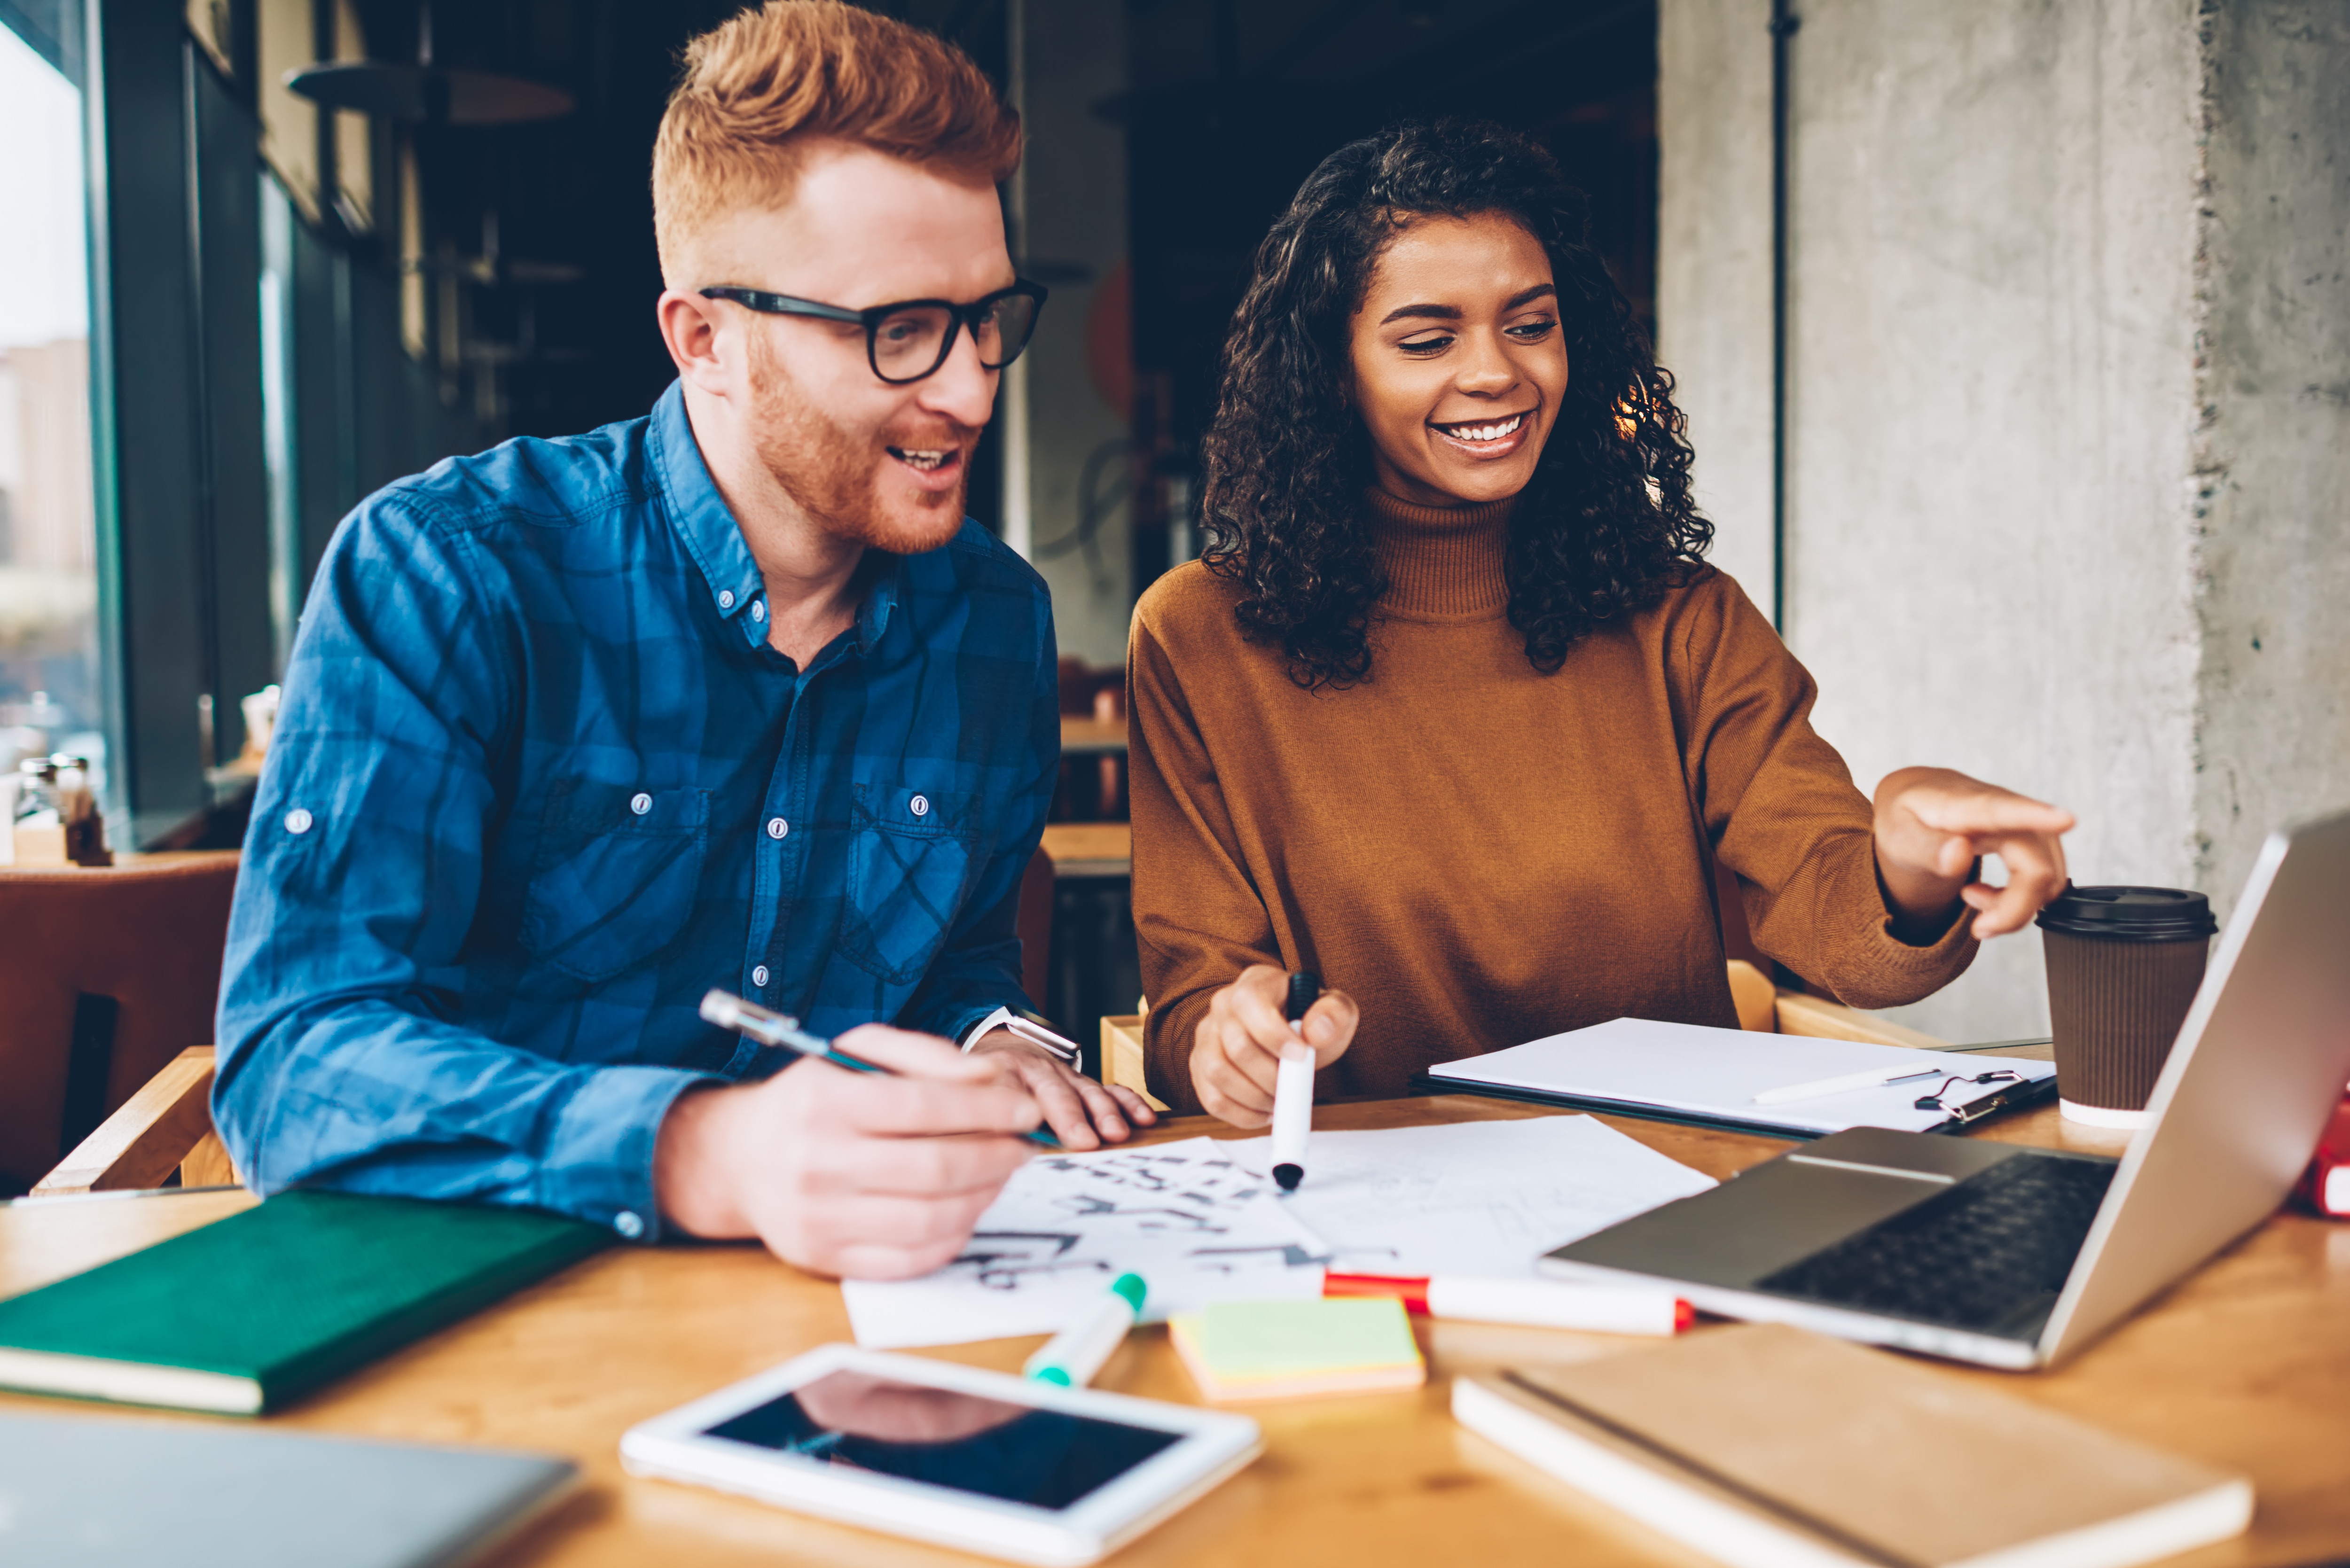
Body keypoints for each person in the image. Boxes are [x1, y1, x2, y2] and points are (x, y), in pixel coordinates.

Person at [214, 0, 1153, 1280]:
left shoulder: (994, 617)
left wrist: (994, 1034)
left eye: (987, 317)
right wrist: (710, 1153)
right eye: (898, 331)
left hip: (863, 1321)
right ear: (705, 338)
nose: (971, 388)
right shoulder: (445, 570)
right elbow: (297, 1061)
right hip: (492, 1314)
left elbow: (960, 951)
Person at [1128, 119, 2076, 1126]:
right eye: (1427, 339)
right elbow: (1194, 996)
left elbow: (1835, 915)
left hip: (1675, 1187)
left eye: (1529, 325)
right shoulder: (1203, 635)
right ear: (1330, 369)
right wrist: (1227, 1041)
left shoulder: (1678, 617)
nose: (1496, 371)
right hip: (1373, 1208)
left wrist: (1907, 869)